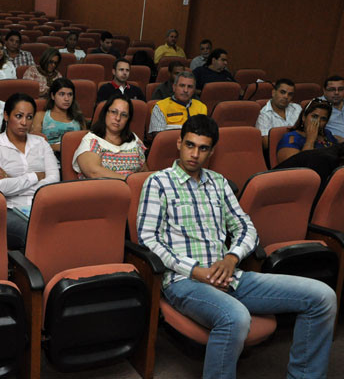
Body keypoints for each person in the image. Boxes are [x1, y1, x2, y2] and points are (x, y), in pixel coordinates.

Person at [137, 114, 336, 379]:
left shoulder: (219, 183)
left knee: (322, 296)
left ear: (212, 151)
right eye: (190, 145)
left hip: (231, 275)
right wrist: (197, 271)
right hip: (184, 282)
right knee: (236, 317)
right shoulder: (158, 183)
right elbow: (149, 240)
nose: (195, 154)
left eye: (203, 148)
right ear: (178, 143)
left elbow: (245, 227)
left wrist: (232, 257)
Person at [0, 93, 60, 250]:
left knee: (69, 229)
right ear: (6, 115)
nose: (24, 122)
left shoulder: (41, 143)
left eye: (29, 117)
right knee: (34, 234)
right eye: (18, 116)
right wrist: (36, 176)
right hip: (10, 208)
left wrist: (13, 180)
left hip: (42, 205)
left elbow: (54, 181)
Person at [73, 94, 147, 179]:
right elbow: (93, 172)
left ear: (128, 119)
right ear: (105, 113)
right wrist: (127, 181)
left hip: (134, 190)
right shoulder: (92, 140)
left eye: (123, 115)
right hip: (104, 190)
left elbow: (144, 171)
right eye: (114, 112)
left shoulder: (134, 140)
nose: (118, 118)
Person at [31, 78, 86, 154]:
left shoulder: (78, 117)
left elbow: (85, 143)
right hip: (48, 156)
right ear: (53, 96)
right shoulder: (41, 116)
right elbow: (35, 144)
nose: (67, 99)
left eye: (70, 94)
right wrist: (57, 147)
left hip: (73, 157)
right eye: (62, 94)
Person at [276, 98, 338, 164]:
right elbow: (298, 168)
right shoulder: (290, 138)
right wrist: (310, 140)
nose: (318, 122)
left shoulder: (327, 134)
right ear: (304, 117)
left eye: (323, 119)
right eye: (314, 116)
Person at [149, 71, 207, 137]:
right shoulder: (160, 107)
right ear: (174, 87)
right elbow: (159, 137)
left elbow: (205, 134)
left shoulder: (201, 107)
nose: (185, 90)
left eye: (190, 87)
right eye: (182, 86)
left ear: (194, 90)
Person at [255, 78, 302, 149]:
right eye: (282, 92)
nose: (286, 97)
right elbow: (266, 144)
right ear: (273, 93)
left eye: (290, 94)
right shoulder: (264, 115)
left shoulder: (297, 108)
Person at [322, 75, 344, 141]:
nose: (336, 93)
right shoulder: (318, 106)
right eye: (332, 89)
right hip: (335, 146)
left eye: (340, 89)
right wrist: (333, 137)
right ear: (324, 90)